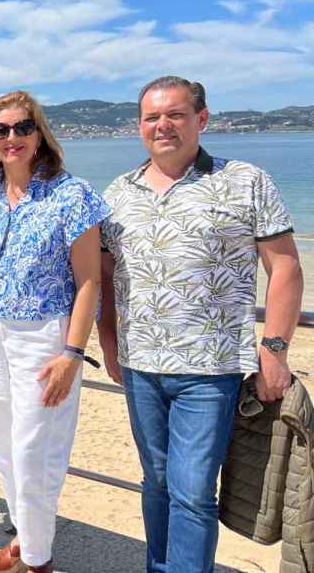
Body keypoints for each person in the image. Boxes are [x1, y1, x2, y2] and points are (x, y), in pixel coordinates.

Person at [98, 76, 303, 573]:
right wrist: (108, 344)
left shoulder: (245, 180)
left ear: (201, 119)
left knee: (191, 491)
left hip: (210, 371)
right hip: (140, 366)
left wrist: (273, 351)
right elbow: (103, 277)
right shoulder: (118, 193)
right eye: (152, 117)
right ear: (140, 126)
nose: (162, 125)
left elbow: (286, 268)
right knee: (157, 483)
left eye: (176, 115)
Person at [0, 91, 109, 573]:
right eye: (0, 131)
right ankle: (26, 539)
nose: (11, 138)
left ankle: (38, 561)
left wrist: (72, 352)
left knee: (34, 450)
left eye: (22, 127)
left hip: (43, 336)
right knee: (2, 443)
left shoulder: (72, 195)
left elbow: (90, 280)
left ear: (40, 132)